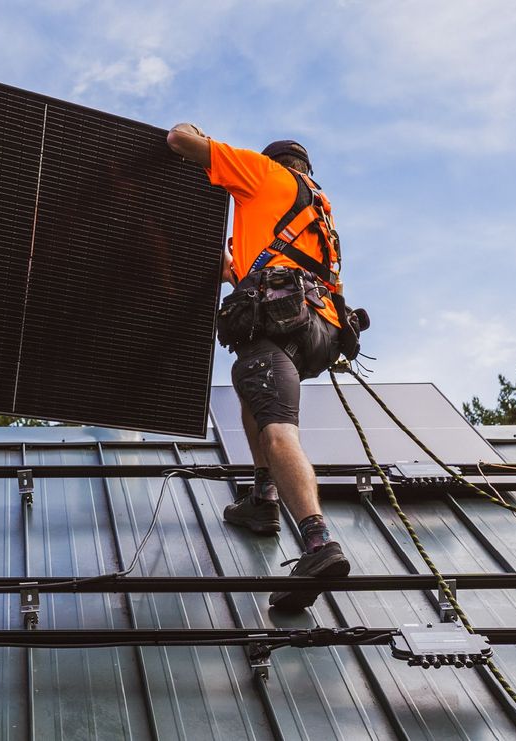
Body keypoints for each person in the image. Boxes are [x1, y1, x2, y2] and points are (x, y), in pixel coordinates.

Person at [166, 126, 350, 610]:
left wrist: (201, 137)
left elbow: (177, 140)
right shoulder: (319, 210)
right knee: (251, 385)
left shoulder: (261, 173)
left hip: (279, 324)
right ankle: (263, 500)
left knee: (278, 432)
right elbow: (273, 262)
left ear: (273, 162)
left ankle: (318, 543)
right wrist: (232, 268)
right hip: (319, 332)